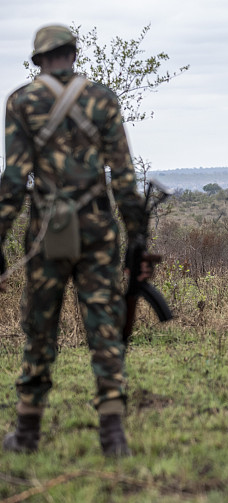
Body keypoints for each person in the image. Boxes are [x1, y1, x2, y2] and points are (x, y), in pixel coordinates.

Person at [0, 25, 151, 456]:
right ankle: (113, 434)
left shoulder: (22, 101)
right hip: (98, 230)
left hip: (47, 231)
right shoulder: (103, 99)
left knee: (39, 327)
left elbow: (14, 179)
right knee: (104, 326)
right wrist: (137, 234)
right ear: (72, 53)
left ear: (38, 59)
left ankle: (27, 431)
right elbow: (124, 176)